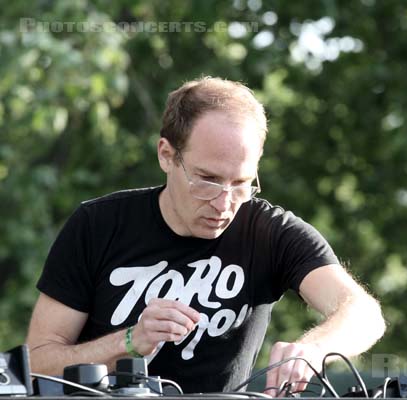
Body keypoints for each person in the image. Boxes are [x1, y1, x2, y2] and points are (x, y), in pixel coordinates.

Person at [26, 76, 386, 394]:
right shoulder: (98, 224)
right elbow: (37, 364)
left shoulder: (271, 233)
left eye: (242, 183)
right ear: (167, 155)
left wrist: (314, 349)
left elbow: (364, 314)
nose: (224, 203)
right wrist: (129, 341)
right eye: (208, 180)